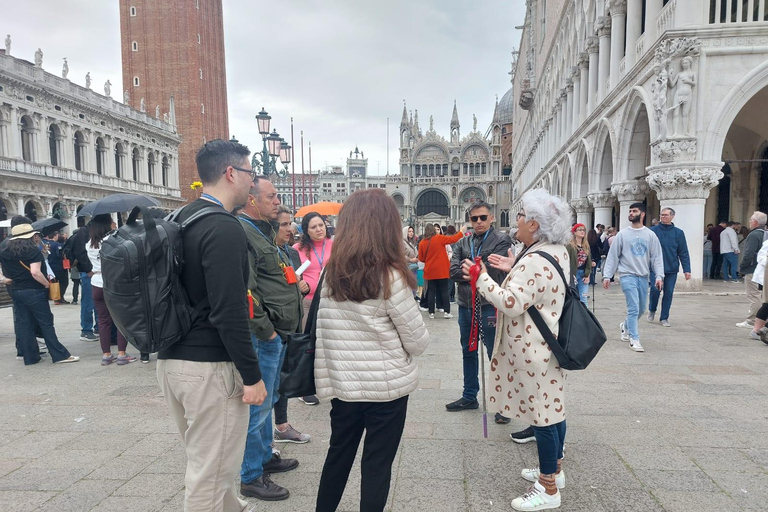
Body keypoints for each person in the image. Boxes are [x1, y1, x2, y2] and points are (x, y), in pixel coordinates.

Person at [156, 139, 267, 512]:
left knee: (212, 464)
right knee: (209, 474)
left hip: (172, 360)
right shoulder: (223, 227)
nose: (253, 183)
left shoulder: (181, 217)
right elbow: (230, 310)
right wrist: (252, 376)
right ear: (231, 173)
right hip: (208, 368)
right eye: (250, 174)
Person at [314, 189, 429, 512]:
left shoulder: (331, 275)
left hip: (344, 387)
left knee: (337, 456)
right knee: (377, 465)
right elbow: (417, 342)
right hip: (386, 391)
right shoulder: (390, 276)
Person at [469, 189, 572, 512]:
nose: (517, 220)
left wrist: (482, 279)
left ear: (534, 224)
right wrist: (517, 265)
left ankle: (548, 486)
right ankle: (555, 468)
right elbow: (539, 285)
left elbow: (511, 303)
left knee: (542, 418)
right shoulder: (555, 251)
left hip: (532, 350)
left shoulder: (534, 261)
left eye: (522, 215)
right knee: (554, 408)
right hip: (550, 345)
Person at [238, 179, 304, 502]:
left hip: (275, 335)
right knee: (259, 406)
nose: (278, 201)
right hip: (264, 335)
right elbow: (245, 290)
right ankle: (250, 474)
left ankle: (264, 457)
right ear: (252, 200)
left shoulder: (263, 231)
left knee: (269, 398)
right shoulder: (244, 233)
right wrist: (268, 330)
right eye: (272, 196)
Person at [447, 200, 511, 417]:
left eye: (483, 217)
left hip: (489, 305)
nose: (479, 222)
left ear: (491, 217)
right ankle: (469, 395)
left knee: (495, 353)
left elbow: (493, 270)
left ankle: (502, 403)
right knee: (468, 350)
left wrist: (474, 270)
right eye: (474, 218)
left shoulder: (502, 240)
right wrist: (476, 272)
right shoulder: (462, 244)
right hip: (466, 305)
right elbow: (453, 271)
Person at [0, 221, 79, 365]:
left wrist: (5, 279)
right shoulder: (32, 250)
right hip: (33, 289)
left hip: (16, 290)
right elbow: (35, 272)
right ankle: (59, 355)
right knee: (46, 322)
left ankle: (30, 357)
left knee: (24, 324)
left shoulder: (4, 250)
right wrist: (47, 284)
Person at [272, 205, 311, 445]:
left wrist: (302, 286)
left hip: (291, 324)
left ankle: (282, 425)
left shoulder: (290, 252)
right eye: (284, 224)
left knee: (283, 378)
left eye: (290, 224)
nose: (290, 229)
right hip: (273, 327)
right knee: (270, 383)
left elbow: (297, 281)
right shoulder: (265, 251)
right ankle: (270, 436)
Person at [603, 203, 664, 353]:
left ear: (642, 214)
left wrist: (659, 276)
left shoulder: (650, 235)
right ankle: (634, 339)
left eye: (634, 211)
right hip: (627, 275)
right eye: (630, 211)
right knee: (634, 308)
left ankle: (625, 326)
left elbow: (657, 257)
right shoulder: (622, 234)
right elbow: (613, 256)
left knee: (642, 309)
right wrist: (607, 275)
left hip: (643, 276)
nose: (631, 213)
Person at [86, 214, 137, 366]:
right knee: (120, 319)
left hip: (96, 282)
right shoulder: (112, 241)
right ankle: (122, 353)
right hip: (113, 282)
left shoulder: (89, 244)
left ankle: (106, 354)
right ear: (107, 225)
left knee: (103, 321)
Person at [293, 211, 332, 407]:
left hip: (330, 301)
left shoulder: (335, 246)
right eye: (313, 227)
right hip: (307, 301)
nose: (319, 229)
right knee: (307, 344)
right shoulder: (297, 249)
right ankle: (305, 387)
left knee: (327, 344)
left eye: (321, 225)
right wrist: (298, 283)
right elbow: (289, 274)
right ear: (306, 231)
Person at [646, 208, 691, 327]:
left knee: (668, 293)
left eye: (666, 215)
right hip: (655, 268)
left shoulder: (678, 233)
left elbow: (683, 252)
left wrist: (687, 269)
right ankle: (652, 309)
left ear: (672, 216)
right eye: (661, 215)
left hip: (671, 268)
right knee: (655, 290)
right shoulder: (652, 231)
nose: (663, 217)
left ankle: (664, 317)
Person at [419, 224, 462, 319]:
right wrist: (461, 232)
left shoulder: (422, 243)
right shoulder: (439, 238)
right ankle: (446, 312)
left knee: (431, 292)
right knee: (444, 291)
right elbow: (453, 239)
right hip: (442, 270)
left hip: (430, 271)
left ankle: (431, 313)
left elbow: (421, 258)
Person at [737, 212, 768, 328]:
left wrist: (742, 267)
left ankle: (752, 320)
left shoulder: (754, 235)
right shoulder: (765, 233)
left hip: (753, 268)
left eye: (750, 220)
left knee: (753, 295)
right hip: (763, 268)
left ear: (755, 222)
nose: (749, 222)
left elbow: (748, 253)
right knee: (762, 295)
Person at [70, 220, 99, 341]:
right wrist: (88, 270)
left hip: (96, 272)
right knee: (88, 301)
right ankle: (86, 330)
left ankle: (98, 327)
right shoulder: (84, 232)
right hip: (88, 272)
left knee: (98, 302)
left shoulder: (95, 232)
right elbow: (81, 253)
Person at [748, 237, 768, 342]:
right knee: (766, 304)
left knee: (766, 304)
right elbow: (761, 258)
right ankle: (758, 329)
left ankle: (760, 329)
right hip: (765, 278)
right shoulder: (767, 243)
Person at [567, 223, 591, 304]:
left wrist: (588, 274)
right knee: (572, 298)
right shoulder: (570, 245)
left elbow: (588, 261)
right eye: (580, 230)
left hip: (583, 274)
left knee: (583, 298)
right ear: (574, 232)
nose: (582, 232)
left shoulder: (586, 246)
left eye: (583, 230)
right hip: (573, 273)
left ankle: (585, 316)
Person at [44, 232, 69, 304]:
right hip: (59, 266)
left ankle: (54, 296)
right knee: (63, 282)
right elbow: (60, 255)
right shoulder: (57, 244)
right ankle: (59, 297)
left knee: (54, 282)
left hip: (50, 266)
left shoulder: (45, 244)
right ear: (55, 236)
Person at [403, 225, 419, 299]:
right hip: (407, 266)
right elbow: (401, 254)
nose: (411, 233)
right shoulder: (402, 243)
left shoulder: (412, 243)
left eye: (412, 231)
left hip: (414, 267)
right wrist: (410, 259)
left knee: (414, 284)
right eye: (409, 231)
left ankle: (413, 296)